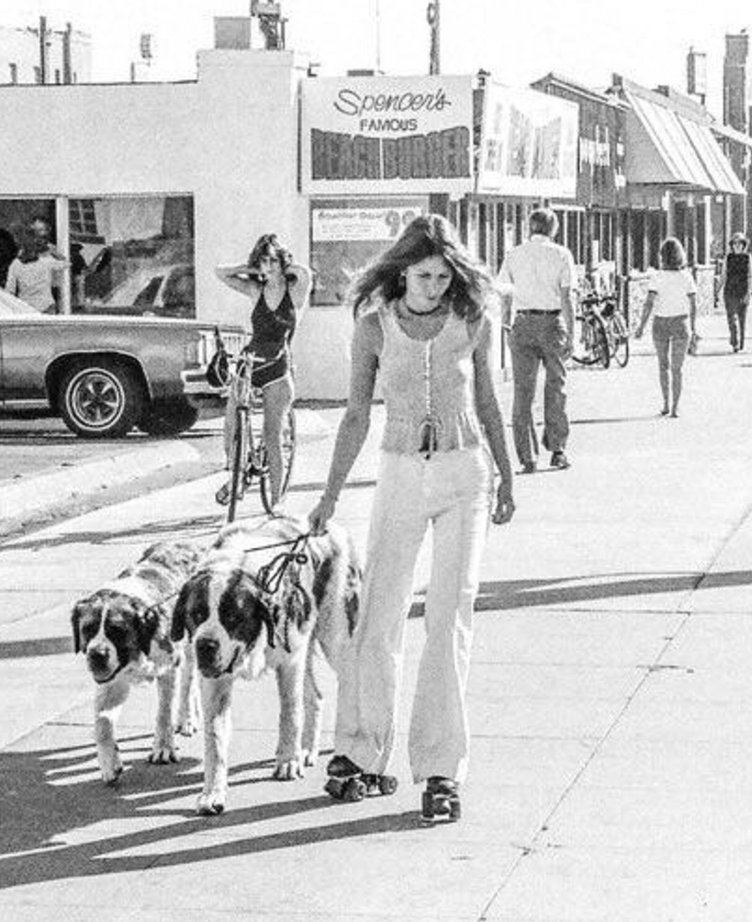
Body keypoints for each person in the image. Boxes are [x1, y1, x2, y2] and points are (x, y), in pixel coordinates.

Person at [308, 214, 515, 820]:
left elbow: (488, 401)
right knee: (379, 613)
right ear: (402, 272)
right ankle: (358, 751)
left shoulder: (473, 321)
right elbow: (353, 417)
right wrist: (328, 495)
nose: (435, 286)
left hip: (463, 475)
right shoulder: (372, 328)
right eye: (424, 275)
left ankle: (441, 769)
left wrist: (507, 474)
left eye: (444, 275)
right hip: (400, 473)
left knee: (450, 618)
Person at [214, 234, 312, 508]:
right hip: (251, 361)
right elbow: (220, 273)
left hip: (278, 365)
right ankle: (236, 472)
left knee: (273, 436)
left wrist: (281, 264)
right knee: (232, 418)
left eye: (272, 260)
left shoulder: (296, 291)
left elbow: (304, 273)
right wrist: (252, 268)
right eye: (263, 261)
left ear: (282, 261)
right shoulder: (255, 290)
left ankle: (277, 502)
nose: (267, 266)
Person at [498, 209, 575, 474]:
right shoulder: (561, 254)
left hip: (522, 323)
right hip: (552, 322)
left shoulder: (513, 254)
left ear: (530, 227)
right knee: (556, 387)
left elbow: (505, 295)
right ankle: (557, 449)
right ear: (553, 228)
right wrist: (572, 332)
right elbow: (567, 298)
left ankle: (527, 457)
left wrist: (507, 325)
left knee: (523, 392)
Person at [634, 237, 697, 417]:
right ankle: (676, 407)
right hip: (681, 323)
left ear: (662, 256)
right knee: (678, 368)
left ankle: (665, 404)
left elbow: (649, 303)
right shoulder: (686, 277)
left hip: (660, 323)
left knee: (663, 366)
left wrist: (641, 326)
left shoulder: (657, 277)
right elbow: (693, 304)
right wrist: (693, 327)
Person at [4, 219, 68, 312]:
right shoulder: (46, 261)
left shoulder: (15, 265)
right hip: (46, 306)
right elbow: (66, 264)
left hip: (25, 307)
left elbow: (10, 290)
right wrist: (54, 252)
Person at [721, 234, 752, 352]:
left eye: (739, 243)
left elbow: (751, 276)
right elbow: (723, 274)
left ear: (744, 245)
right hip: (729, 289)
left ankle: (741, 342)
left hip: (742, 290)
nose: (737, 245)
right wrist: (717, 290)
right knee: (731, 317)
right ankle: (735, 341)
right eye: (734, 243)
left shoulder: (747, 257)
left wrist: (749, 293)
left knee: (741, 317)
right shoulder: (728, 257)